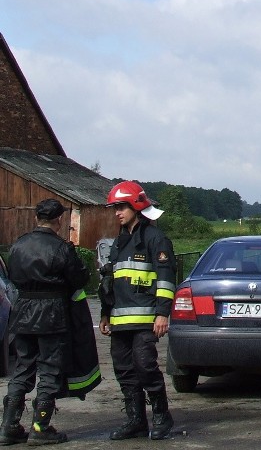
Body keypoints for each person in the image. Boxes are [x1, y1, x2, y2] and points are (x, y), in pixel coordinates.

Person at [0, 199, 91, 445]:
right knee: (50, 370)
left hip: (23, 311)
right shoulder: (62, 248)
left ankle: (8, 426)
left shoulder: (18, 245)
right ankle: (40, 427)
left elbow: (12, 276)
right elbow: (78, 279)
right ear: (59, 220)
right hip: (52, 314)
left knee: (23, 368)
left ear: (36, 218)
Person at [98, 181, 176, 441]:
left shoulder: (155, 239)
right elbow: (109, 281)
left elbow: (166, 279)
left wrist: (162, 314)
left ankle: (162, 417)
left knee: (145, 367)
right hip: (120, 321)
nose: (117, 212)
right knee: (124, 371)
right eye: (115, 208)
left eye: (121, 207)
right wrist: (105, 314)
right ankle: (136, 421)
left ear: (136, 206)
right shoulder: (120, 241)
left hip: (146, 320)